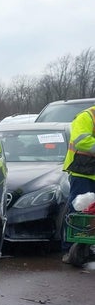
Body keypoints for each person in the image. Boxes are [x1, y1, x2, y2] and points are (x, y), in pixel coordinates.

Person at [62, 105, 95, 262]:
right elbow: (82, 142)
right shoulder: (87, 116)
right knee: (78, 212)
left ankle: (87, 248)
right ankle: (70, 249)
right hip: (82, 172)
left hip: (90, 171)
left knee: (89, 214)